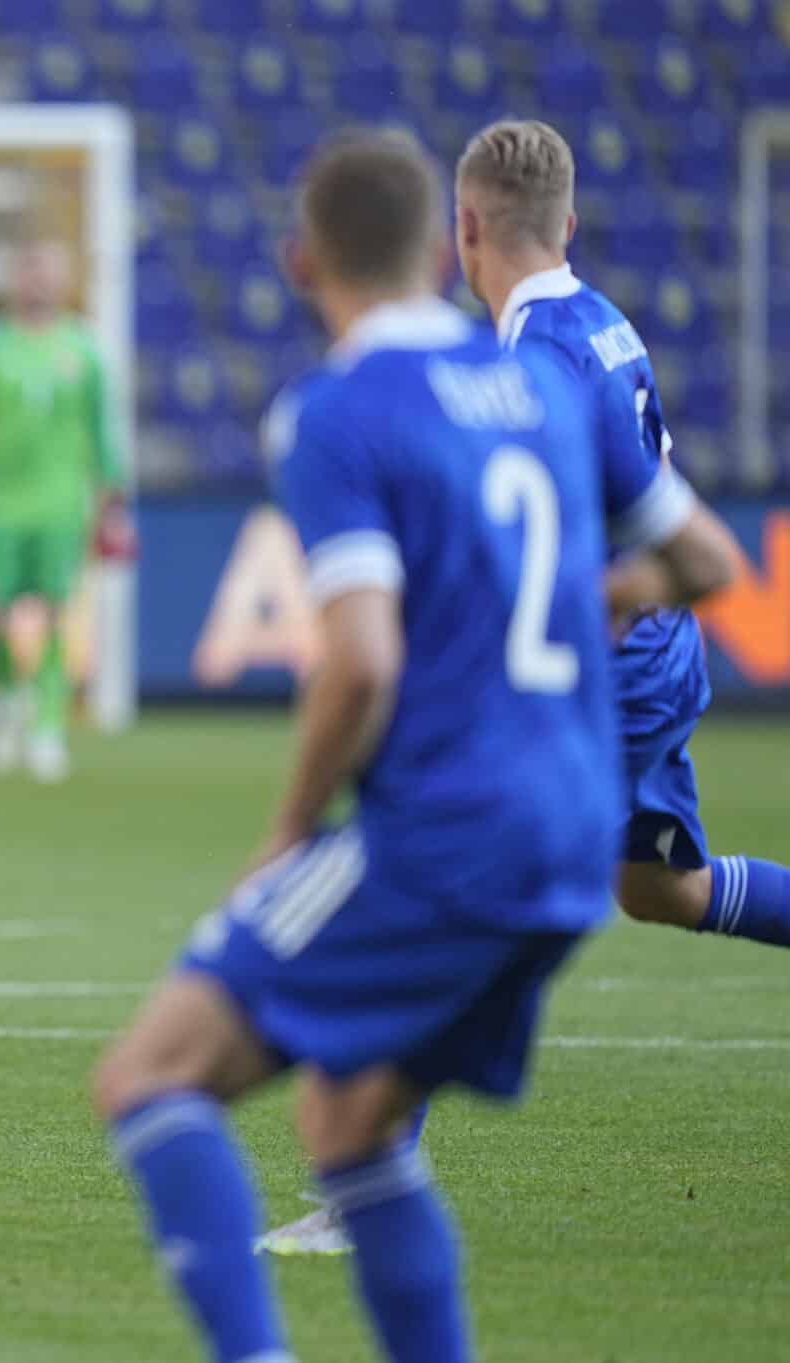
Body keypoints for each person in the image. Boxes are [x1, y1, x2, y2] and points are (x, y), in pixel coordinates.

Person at [91, 131, 733, 1363]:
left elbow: (364, 658)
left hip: (450, 829)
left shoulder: (335, 410)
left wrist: (286, 832)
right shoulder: (550, 383)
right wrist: (584, 598)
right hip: (567, 823)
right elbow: (707, 564)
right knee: (347, 1124)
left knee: (148, 1080)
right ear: (442, 253)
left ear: (298, 262)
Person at [260, 117, 757, 1259]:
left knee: (442, 861)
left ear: (464, 227)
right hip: (653, 647)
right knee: (662, 892)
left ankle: (364, 1179)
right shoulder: (596, 317)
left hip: (601, 662)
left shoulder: (526, 353)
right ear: (569, 223)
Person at [0, 238, 128, 782]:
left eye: (50, 271)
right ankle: (7, 700)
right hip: (2, 501)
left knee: (57, 611)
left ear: (64, 280)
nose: (40, 281)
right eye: (31, 270)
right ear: (17, 279)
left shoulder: (84, 348)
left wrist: (113, 492)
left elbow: (102, 425)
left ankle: (47, 724)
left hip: (65, 503)